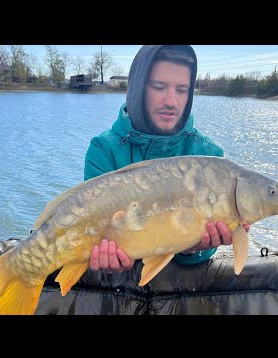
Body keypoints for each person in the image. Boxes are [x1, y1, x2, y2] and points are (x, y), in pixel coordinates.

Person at [84, 45, 250, 273]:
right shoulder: (104, 149)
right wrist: (105, 261)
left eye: (181, 90)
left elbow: (203, 255)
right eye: (159, 87)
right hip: (122, 282)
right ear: (138, 89)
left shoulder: (209, 156)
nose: (171, 101)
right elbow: (91, 234)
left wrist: (193, 249)